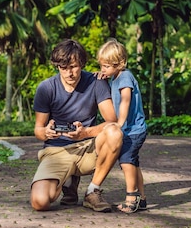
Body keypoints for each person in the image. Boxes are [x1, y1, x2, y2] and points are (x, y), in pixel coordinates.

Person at [30, 39, 123, 212]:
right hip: (57, 151)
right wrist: (47, 132)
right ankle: (67, 182)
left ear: (82, 63)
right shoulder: (46, 88)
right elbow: (38, 130)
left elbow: (112, 122)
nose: (69, 73)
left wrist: (85, 132)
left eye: (73, 66)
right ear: (57, 66)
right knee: (39, 202)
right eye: (63, 68)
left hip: (87, 147)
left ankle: (92, 191)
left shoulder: (96, 81)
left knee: (115, 132)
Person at [97, 38, 147, 213]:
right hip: (130, 129)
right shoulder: (116, 76)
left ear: (120, 63)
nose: (103, 69)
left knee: (126, 161)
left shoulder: (125, 77)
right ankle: (142, 199)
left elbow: (125, 101)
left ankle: (131, 198)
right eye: (102, 66)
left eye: (106, 66)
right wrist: (105, 75)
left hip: (133, 129)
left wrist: (119, 123)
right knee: (134, 163)